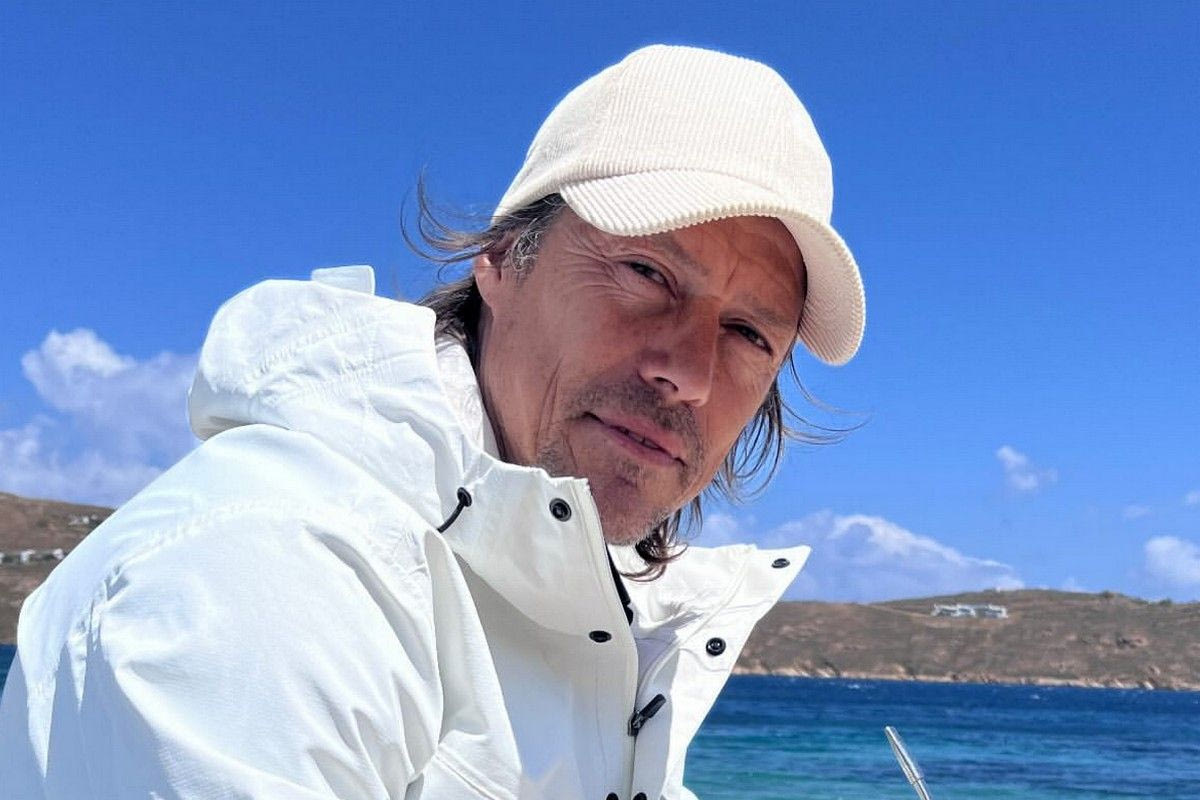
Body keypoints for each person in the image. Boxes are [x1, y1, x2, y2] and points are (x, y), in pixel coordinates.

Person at [0, 44, 865, 799]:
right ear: (503, 259)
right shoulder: (275, 569)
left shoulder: (606, 626)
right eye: (646, 273)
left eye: (749, 334)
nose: (690, 373)